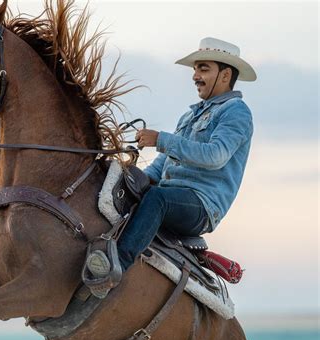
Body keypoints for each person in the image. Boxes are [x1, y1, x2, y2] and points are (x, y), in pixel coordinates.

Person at [85, 37, 257, 293]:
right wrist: (127, 177)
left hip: (201, 204)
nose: (195, 76)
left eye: (204, 69)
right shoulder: (189, 115)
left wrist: (161, 139)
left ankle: (115, 267)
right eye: (195, 69)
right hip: (167, 193)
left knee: (157, 199)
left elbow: (215, 156)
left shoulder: (236, 112)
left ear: (225, 74)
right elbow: (158, 168)